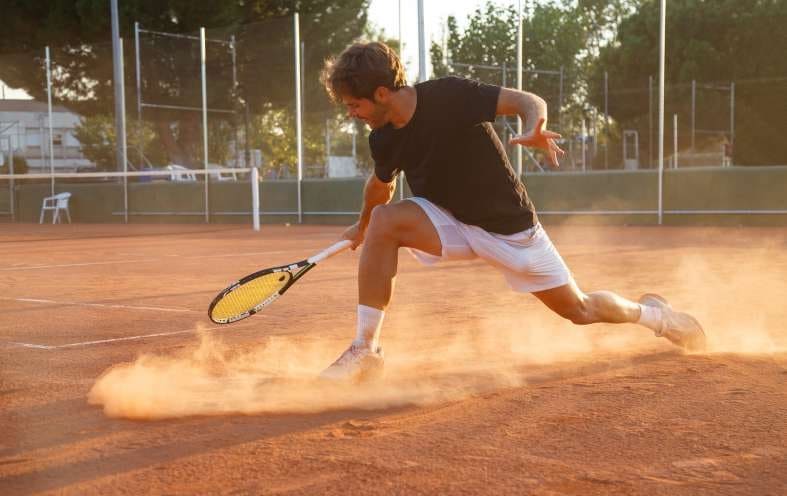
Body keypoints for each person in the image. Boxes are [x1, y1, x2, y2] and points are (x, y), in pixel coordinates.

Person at [318, 42, 705, 382]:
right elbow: (380, 186)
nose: (352, 114)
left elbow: (525, 100)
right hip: (449, 219)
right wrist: (364, 225)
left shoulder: (449, 95)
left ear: (382, 92)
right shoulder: (383, 137)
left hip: (509, 229)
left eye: (355, 105)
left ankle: (657, 316)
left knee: (580, 309)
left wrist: (535, 126)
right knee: (387, 220)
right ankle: (365, 350)